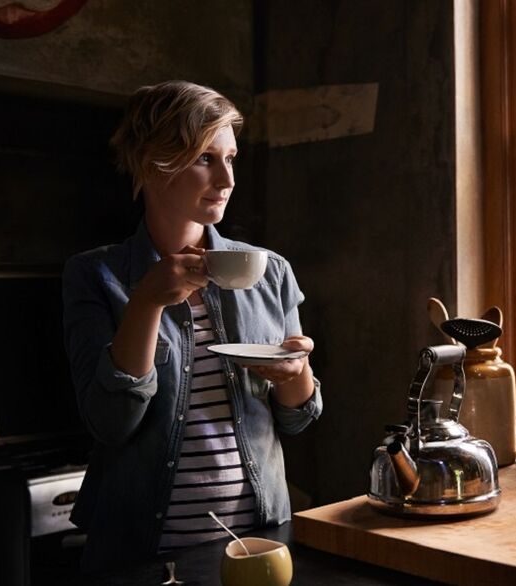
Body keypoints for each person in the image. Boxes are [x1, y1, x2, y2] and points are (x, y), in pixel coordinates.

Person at [61, 80, 322, 573]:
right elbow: (110, 423)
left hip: (257, 545)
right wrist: (146, 302)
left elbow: (297, 420)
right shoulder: (96, 275)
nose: (227, 179)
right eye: (206, 157)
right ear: (154, 163)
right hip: (139, 557)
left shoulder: (271, 271)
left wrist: (295, 373)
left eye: (231, 158)